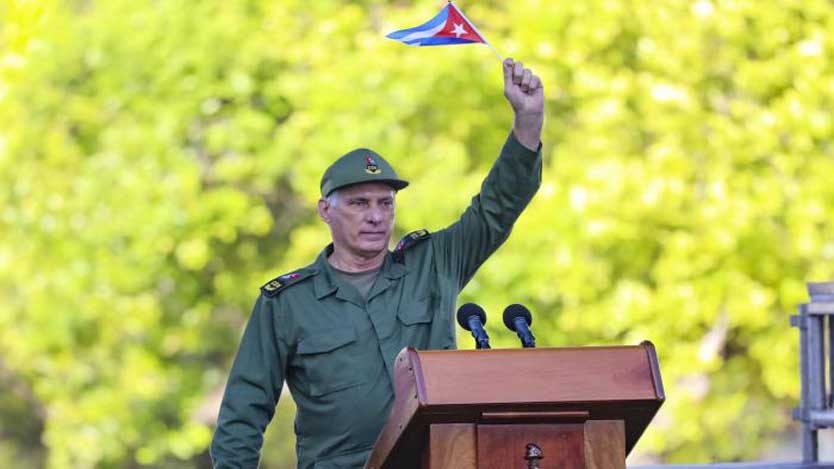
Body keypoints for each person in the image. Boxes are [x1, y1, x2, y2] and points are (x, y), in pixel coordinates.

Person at [210, 58, 544, 469]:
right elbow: (243, 414)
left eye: (385, 203)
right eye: (359, 203)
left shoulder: (433, 264)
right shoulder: (287, 302)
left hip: (438, 458)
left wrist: (528, 120)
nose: (375, 216)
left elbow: (497, 209)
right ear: (325, 211)